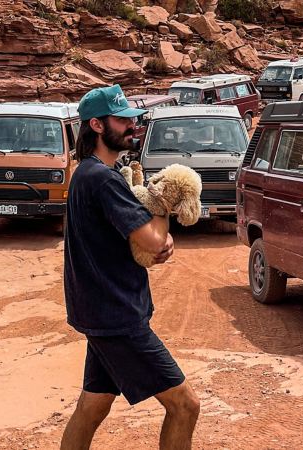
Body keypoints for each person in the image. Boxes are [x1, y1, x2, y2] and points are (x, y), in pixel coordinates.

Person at [61, 85, 200, 450]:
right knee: (185, 406)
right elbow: (155, 242)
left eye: (131, 119)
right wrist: (164, 207)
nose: (130, 126)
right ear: (96, 125)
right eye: (121, 120)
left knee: (93, 406)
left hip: (101, 312)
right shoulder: (104, 179)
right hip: (117, 317)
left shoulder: (86, 173)